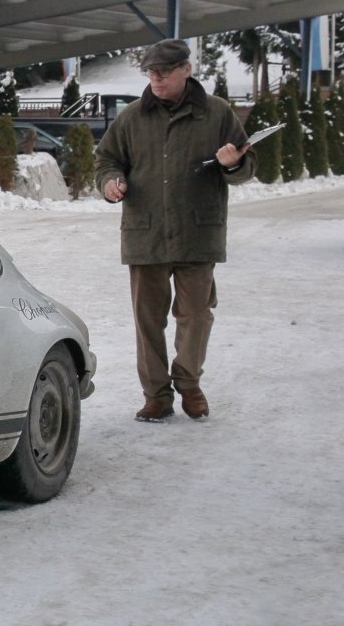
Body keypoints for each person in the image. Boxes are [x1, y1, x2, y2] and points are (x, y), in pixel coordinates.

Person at [94, 39, 256, 423]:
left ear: (186, 69)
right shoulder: (131, 117)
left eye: (164, 71)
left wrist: (233, 163)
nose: (156, 79)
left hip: (197, 233)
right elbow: (106, 160)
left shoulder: (217, 113)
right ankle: (156, 395)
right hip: (146, 232)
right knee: (148, 321)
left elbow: (247, 167)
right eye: (151, 72)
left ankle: (189, 383)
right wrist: (110, 182)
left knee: (196, 314)